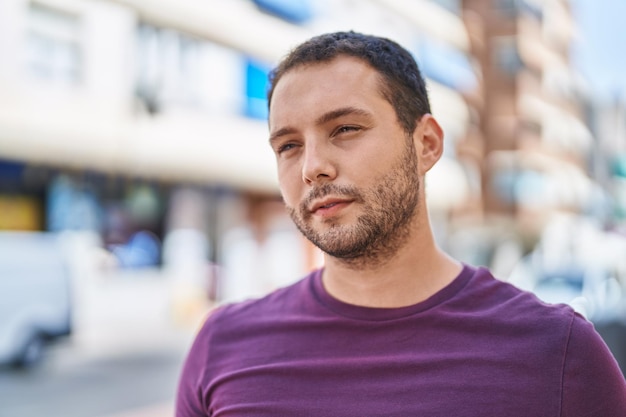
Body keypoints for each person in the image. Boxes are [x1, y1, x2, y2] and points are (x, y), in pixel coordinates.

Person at [176, 31, 626, 416]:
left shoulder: (558, 351)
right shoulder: (222, 345)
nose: (312, 166)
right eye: (288, 146)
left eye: (345, 129)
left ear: (426, 144)